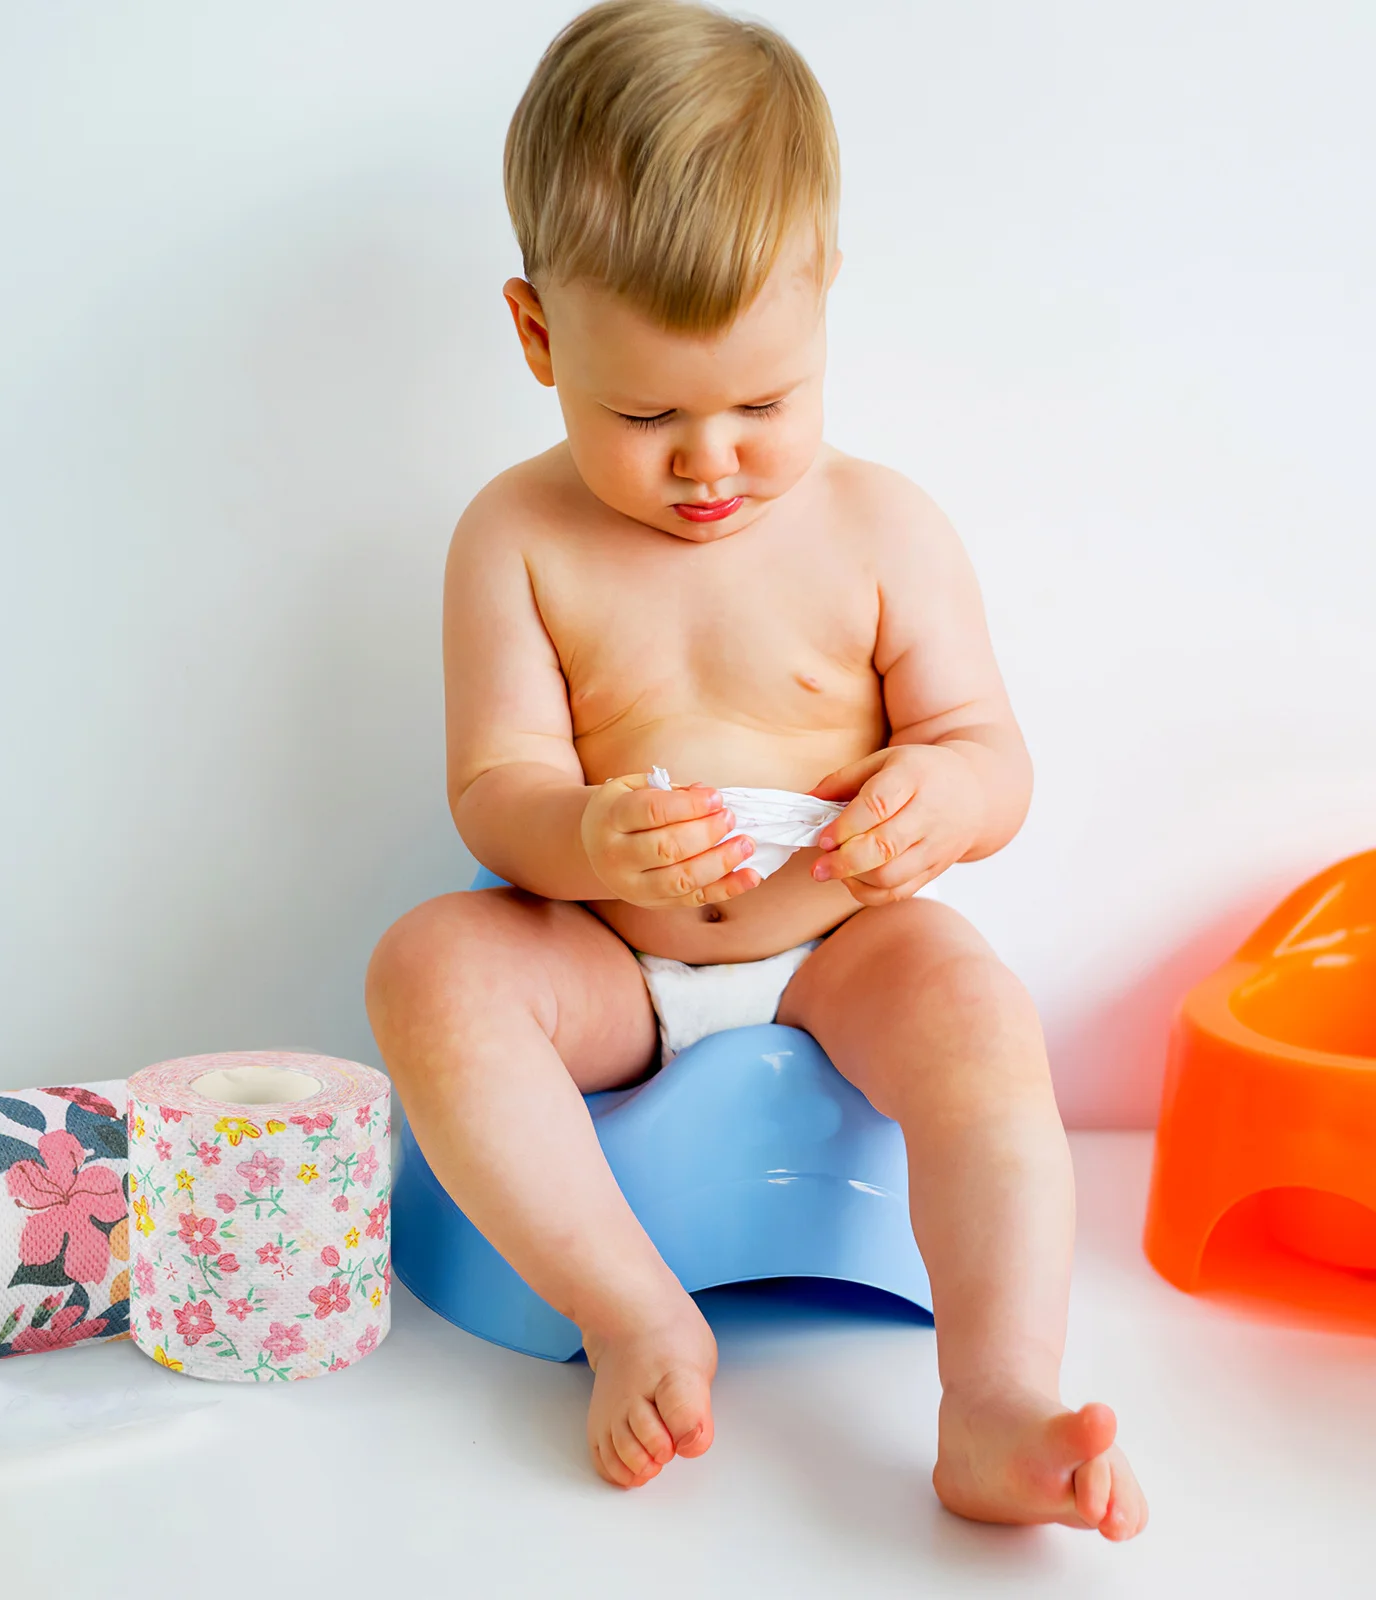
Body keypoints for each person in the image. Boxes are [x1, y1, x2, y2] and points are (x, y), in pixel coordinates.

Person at [366, 0, 1146, 1539]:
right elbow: (496, 792)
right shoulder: (516, 540)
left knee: (979, 1012)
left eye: (763, 404)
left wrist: (944, 797)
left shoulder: (884, 528)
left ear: (825, 305)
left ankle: (995, 1397)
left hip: (834, 947)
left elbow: (987, 751)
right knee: (427, 966)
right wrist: (587, 835)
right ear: (537, 337)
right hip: (608, 956)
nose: (709, 462)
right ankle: (631, 1312)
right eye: (644, 412)